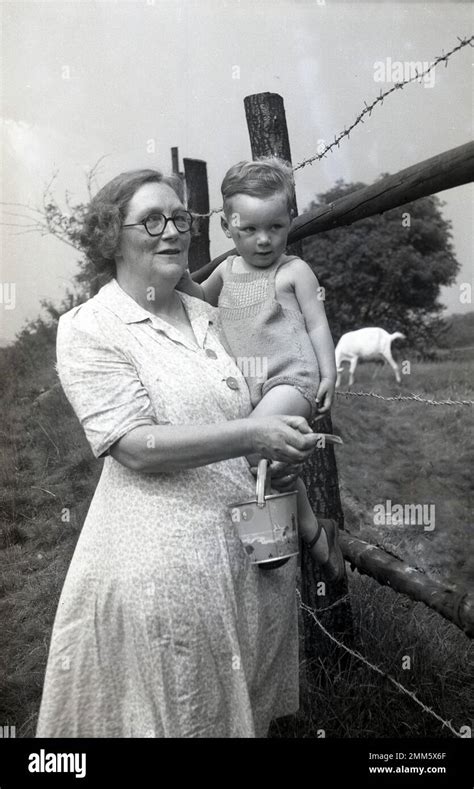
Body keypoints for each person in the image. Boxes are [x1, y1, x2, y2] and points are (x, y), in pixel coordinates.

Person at [35, 168, 323, 739]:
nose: (172, 232)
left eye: (181, 219)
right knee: (177, 717)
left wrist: (275, 454)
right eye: (151, 220)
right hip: (164, 579)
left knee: (239, 717)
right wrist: (251, 437)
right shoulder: (91, 327)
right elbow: (135, 447)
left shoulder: (210, 316)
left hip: (247, 566)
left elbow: (251, 407)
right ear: (109, 236)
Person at [177, 157, 345, 579]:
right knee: (263, 456)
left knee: (252, 446)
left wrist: (329, 373)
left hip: (293, 377)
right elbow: (197, 296)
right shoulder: (227, 270)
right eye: (249, 230)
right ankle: (309, 531)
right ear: (227, 228)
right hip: (251, 386)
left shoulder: (294, 271)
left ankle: (301, 533)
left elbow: (318, 323)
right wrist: (175, 268)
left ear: (291, 220)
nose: (264, 240)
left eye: (276, 227)